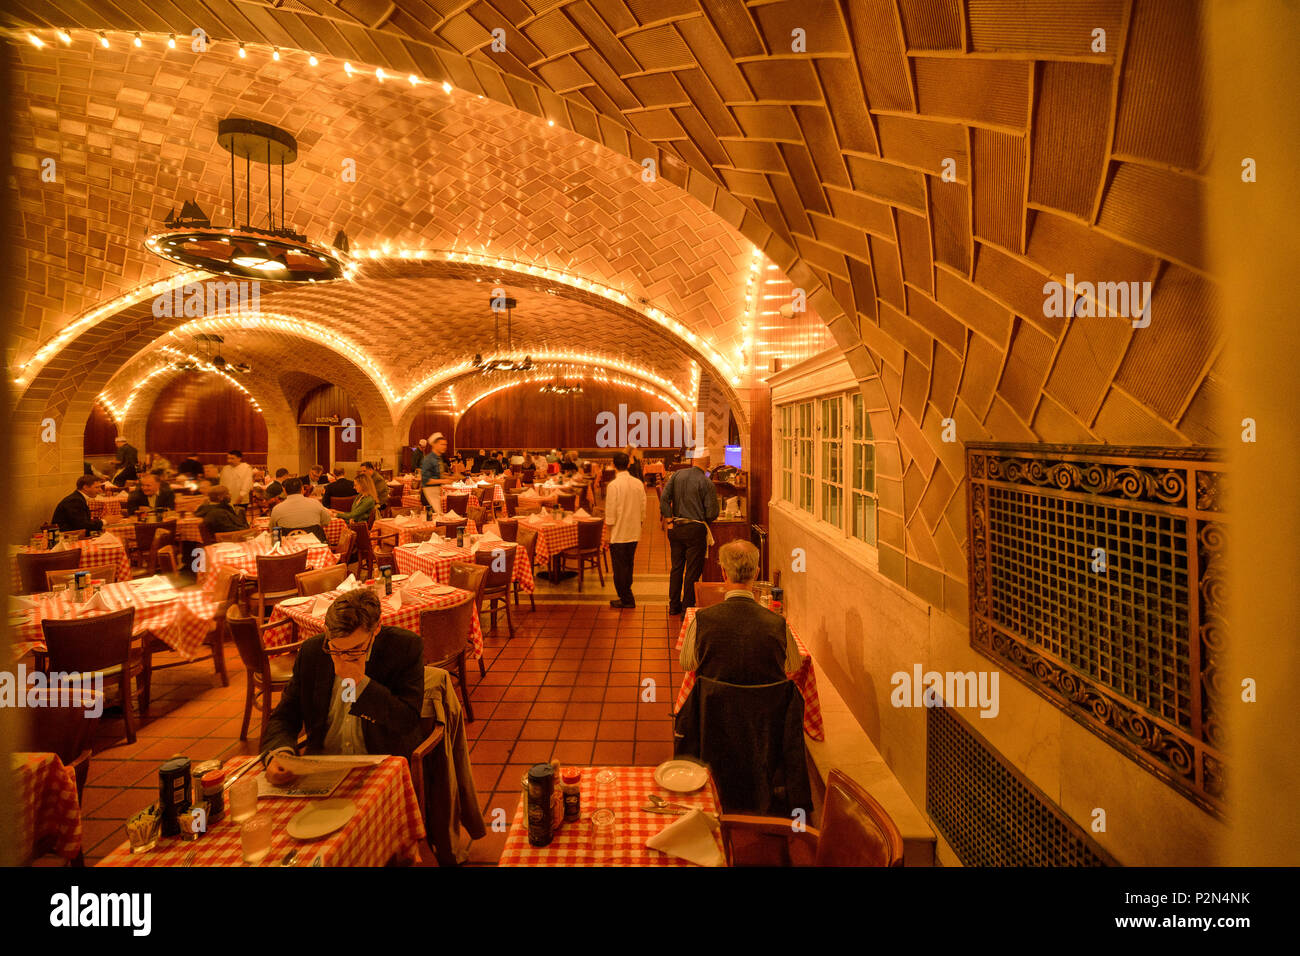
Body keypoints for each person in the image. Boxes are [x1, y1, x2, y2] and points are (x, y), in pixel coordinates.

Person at [261, 589, 424, 780]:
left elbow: (407, 720)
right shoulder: (312, 652)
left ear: (377, 628)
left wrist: (361, 683)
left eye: (355, 648)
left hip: (379, 765)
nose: (344, 658)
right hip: (321, 766)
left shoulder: (404, 647)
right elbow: (284, 717)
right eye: (336, 649)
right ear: (326, 632)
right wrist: (280, 753)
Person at [679, 540, 799, 683]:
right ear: (756, 573)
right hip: (765, 704)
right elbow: (793, 665)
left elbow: (687, 663)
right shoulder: (778, 623)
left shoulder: (701, 619)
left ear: (723, 572)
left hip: (714, 702)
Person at [660, 449, 720, 616]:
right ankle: (687, 608)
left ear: (693, 461)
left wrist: (669, 520)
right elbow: (712, 513)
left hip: (676, 528)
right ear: (708, 463)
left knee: (677, 567)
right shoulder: (707, 482)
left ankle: (673, 605)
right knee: (692, 571)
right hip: (695, 530)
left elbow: (664, 499)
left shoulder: (677, 476)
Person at [604, 451, 645, 609]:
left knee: (620, 568)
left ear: (613, 465)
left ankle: (626, 598)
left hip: (618, 533)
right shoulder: (638, 483)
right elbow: (643, 509)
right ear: (628, 464)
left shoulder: (614, 485)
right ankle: (627, 595)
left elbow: (610, 512)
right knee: (629, 564)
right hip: (634, 532)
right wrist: (639, 524)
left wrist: (608, 534)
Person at [268, 477, 334, 543]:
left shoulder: (277, 509)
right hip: (315, 546)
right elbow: (326, 521)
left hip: (289, 548)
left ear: (284, 491)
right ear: (302, 489)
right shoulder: (315, 503)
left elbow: (272, 529)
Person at [420, 433, 451, 512]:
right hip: (428, 492)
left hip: (436, 491)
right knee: (434, 519)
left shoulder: (438, 458)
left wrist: (450, 477)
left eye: (446, 445)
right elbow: (426, 480)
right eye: (442, 444)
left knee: (437, 516)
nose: (445, 447)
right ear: (434, 445)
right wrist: (444, 481)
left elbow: (438, 475)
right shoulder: (428, 459)